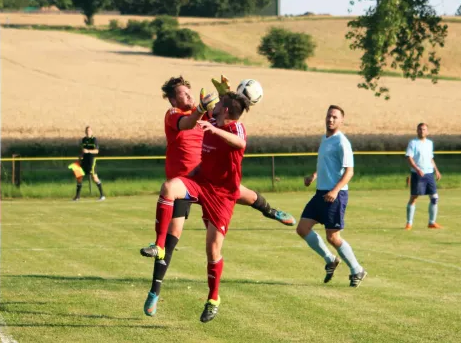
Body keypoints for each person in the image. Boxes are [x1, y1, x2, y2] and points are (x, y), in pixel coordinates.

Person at [141, 76, 295, 318]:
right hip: (191, 181)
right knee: (171, 239)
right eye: (183, 93)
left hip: (216, 184)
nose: (189, 96)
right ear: (173, 99)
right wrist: (206, 109)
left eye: (189, 91)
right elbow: (194, 121)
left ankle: (270, 211)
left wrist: (226, 94)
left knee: (241, 196)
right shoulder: (175, 113)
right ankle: (154, 292)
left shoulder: (211, 115)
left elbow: (232, 111)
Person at [144, 92, 250, 323]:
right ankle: (159, 246)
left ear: (226, 111)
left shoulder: (235, 128)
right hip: (200, 182)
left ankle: (213, 299)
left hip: (222, 196)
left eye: (219, 104)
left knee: (212, 251)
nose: (216, 105)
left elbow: (241, 143)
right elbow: (197, 118)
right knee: (169, 188)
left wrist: (216, 131)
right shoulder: (212, 119)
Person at [296, 105, 367, 288]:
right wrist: (314, 176)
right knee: (303, 228)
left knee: (333, 237)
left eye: (335, 117)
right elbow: (327, 165)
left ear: (342, 121)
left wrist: (335, 191)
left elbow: (349, 172)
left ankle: (357, 269)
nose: (331, 119)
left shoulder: (342, 142)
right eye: (329, 116)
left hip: (336, 194)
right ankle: (330, 259)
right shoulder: (325, 139)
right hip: (320, 193)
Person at [405, 123, 442, 230]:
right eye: (420, 129)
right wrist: (417, 169)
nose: (422, 131)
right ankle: (409, 223)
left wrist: (436, 170)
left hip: (429, 174)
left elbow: (431, 158)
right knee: (414, 198)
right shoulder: (413, 143)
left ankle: (431, 222)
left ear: (427, 131)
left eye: (424, 129)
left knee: (434, 198)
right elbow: (409, 158)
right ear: (417, 131)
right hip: (417, 174)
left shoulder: (430, 143)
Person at [73, 126, 105, 201]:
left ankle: (102, 195)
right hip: (84, 160)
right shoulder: (83, 140)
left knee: (94, 177)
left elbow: (97, 151)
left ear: (92, 132)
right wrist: (80, 157)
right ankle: (77, 196)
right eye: (87, 130)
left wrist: (88, 151)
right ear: (85, 132)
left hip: (91, 160)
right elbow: (83, 150)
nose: (88, 132)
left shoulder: (94, 140)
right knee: (79, 177)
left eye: (89, 130)